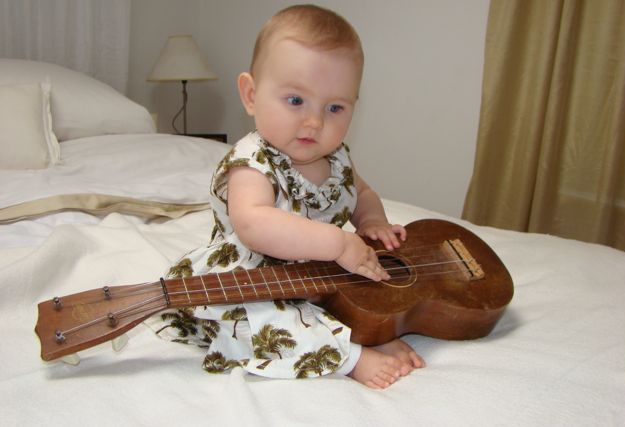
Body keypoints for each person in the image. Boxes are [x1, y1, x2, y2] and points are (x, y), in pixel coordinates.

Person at [154, 4, 425, 389]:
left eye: (334, 107)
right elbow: (254, 224)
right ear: (251, 94)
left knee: (370, 285)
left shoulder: (338, 156)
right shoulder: (253, 162)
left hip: (319, 273)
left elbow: (361, 192)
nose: (314, 122)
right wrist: (336, 241)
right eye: (296, 101)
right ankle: (349, 357)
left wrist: (371, 222)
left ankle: (370, 331)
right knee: (264, 321)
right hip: (257, 276)